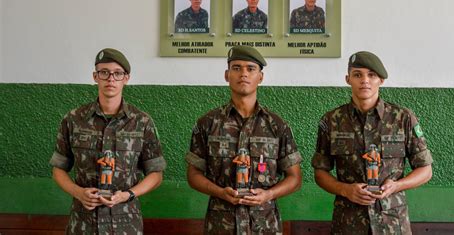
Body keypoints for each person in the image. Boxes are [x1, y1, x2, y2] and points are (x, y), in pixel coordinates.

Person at [312, 51, 433, 234]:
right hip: (348, 223)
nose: (365, 80)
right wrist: (345, 190)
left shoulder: (403, 118)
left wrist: (397, 185)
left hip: (392, 224)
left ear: (381, 80)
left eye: (372, 75)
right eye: (357, 75)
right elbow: (320, 173)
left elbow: (425, 170)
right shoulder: (332, 121)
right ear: (348, 79)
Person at [186, 45, 302, 234]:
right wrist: (220, 192)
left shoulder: (277, 125)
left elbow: (295, 178)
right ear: (227, 75)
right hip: (221, 225)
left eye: (251, 68)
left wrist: (268, 194)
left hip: (264, 225)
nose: (244, 74)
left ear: (261, 77)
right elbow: (193, 176)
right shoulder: (208, 123)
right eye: (237, 68)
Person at [50, 48, 167, 234]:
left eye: (117, 73)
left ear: (126, 78)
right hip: (83, 223)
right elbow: (58, 169)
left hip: (125, 224)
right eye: (104, 72)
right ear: (95, 76)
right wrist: (78, 192)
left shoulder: (141, 122)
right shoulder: (73, 119)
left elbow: (156, 175)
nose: (111, 79)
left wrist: (128, 195)